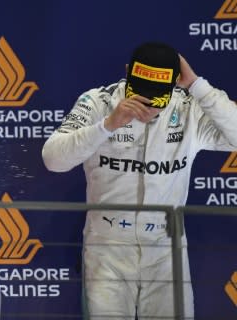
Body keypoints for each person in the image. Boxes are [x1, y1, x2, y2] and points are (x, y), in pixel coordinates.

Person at [42, 42, 237, 320]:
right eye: (140, 93)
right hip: (107, 248)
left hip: (166, 250)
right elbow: (53, 159)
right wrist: (107, 125)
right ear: (127, 73)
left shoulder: (189, 108)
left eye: (157, 97)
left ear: (174, 84)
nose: (147, 106)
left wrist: (196, 85)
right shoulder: (98, 102)